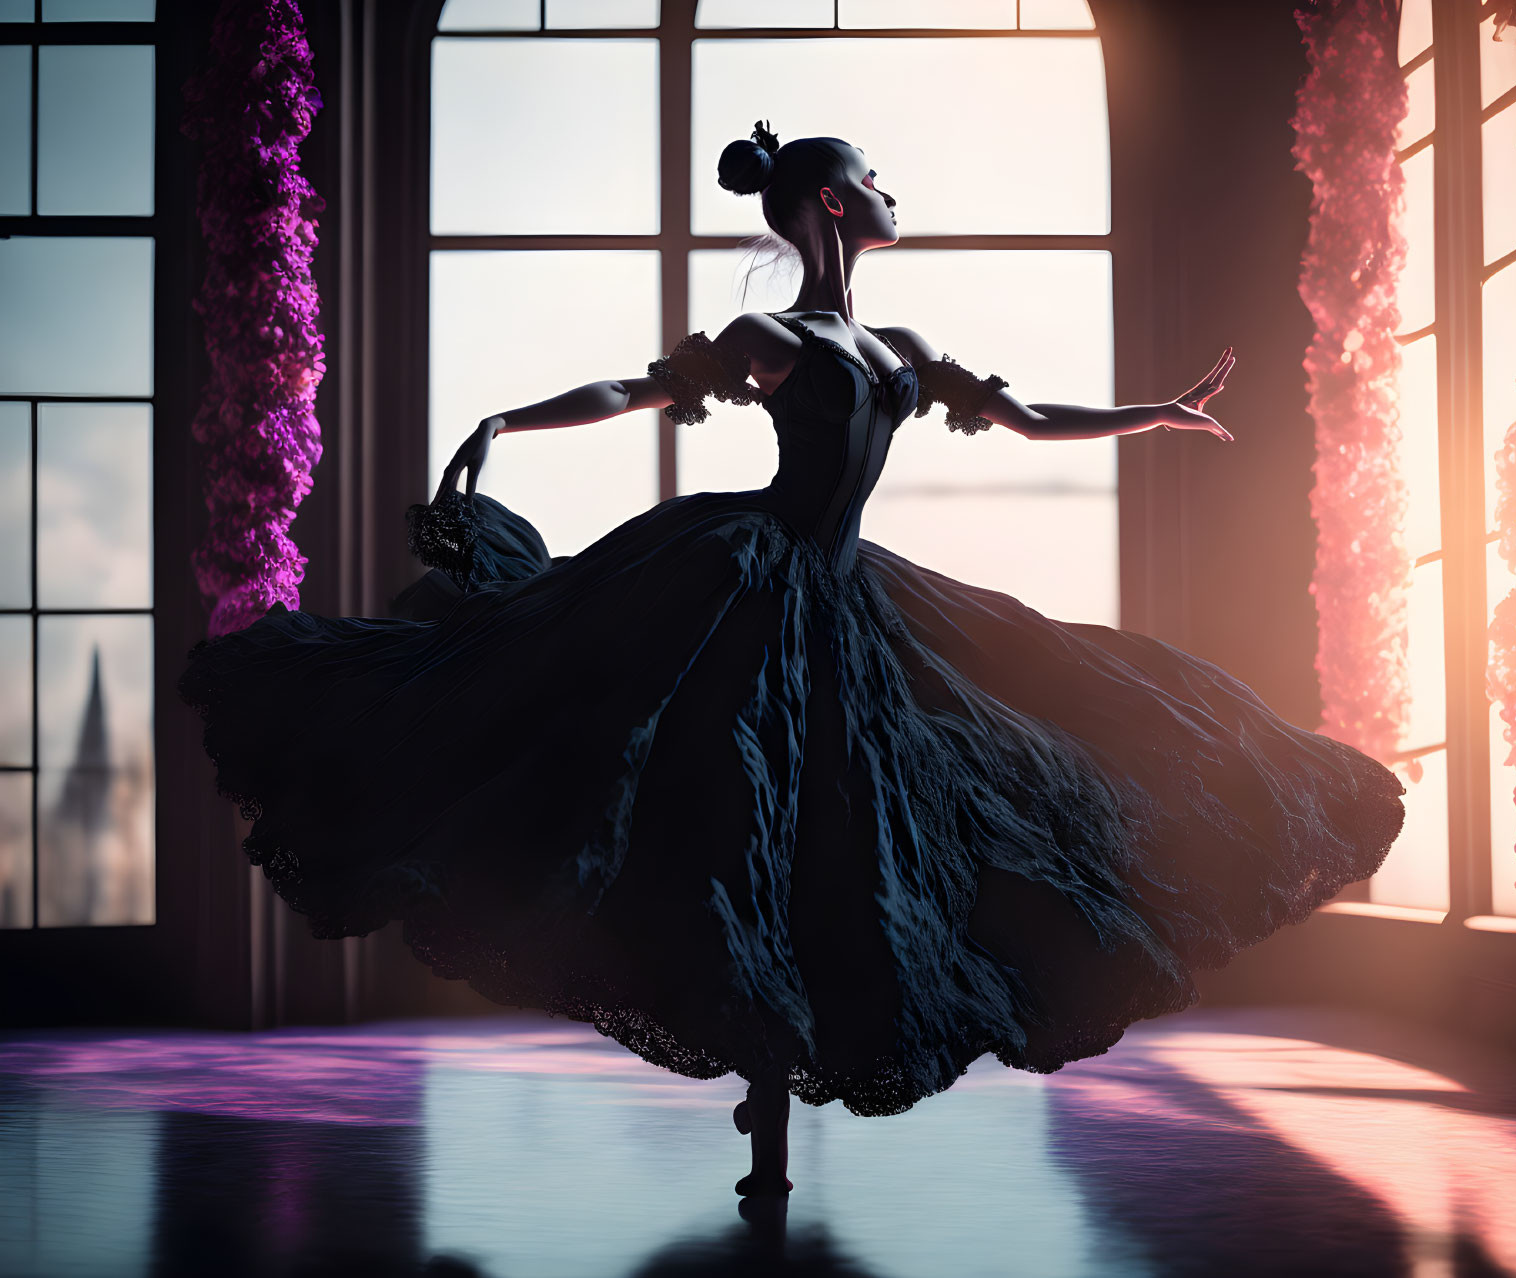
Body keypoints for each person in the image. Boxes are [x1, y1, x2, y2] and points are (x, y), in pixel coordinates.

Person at [179, 120, 1403, 1200]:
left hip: (850, 591)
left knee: (889, 810)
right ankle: (762, 1119)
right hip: (747, 576)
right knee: (742, 824)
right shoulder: (770, 335)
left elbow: (1025, 419)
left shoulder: (904, 344)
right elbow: (641, 387)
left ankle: (773, 1099)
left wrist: (1156, 412)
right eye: (872, 177)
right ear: (831, 204)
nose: (887, 191)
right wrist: (509, 419)